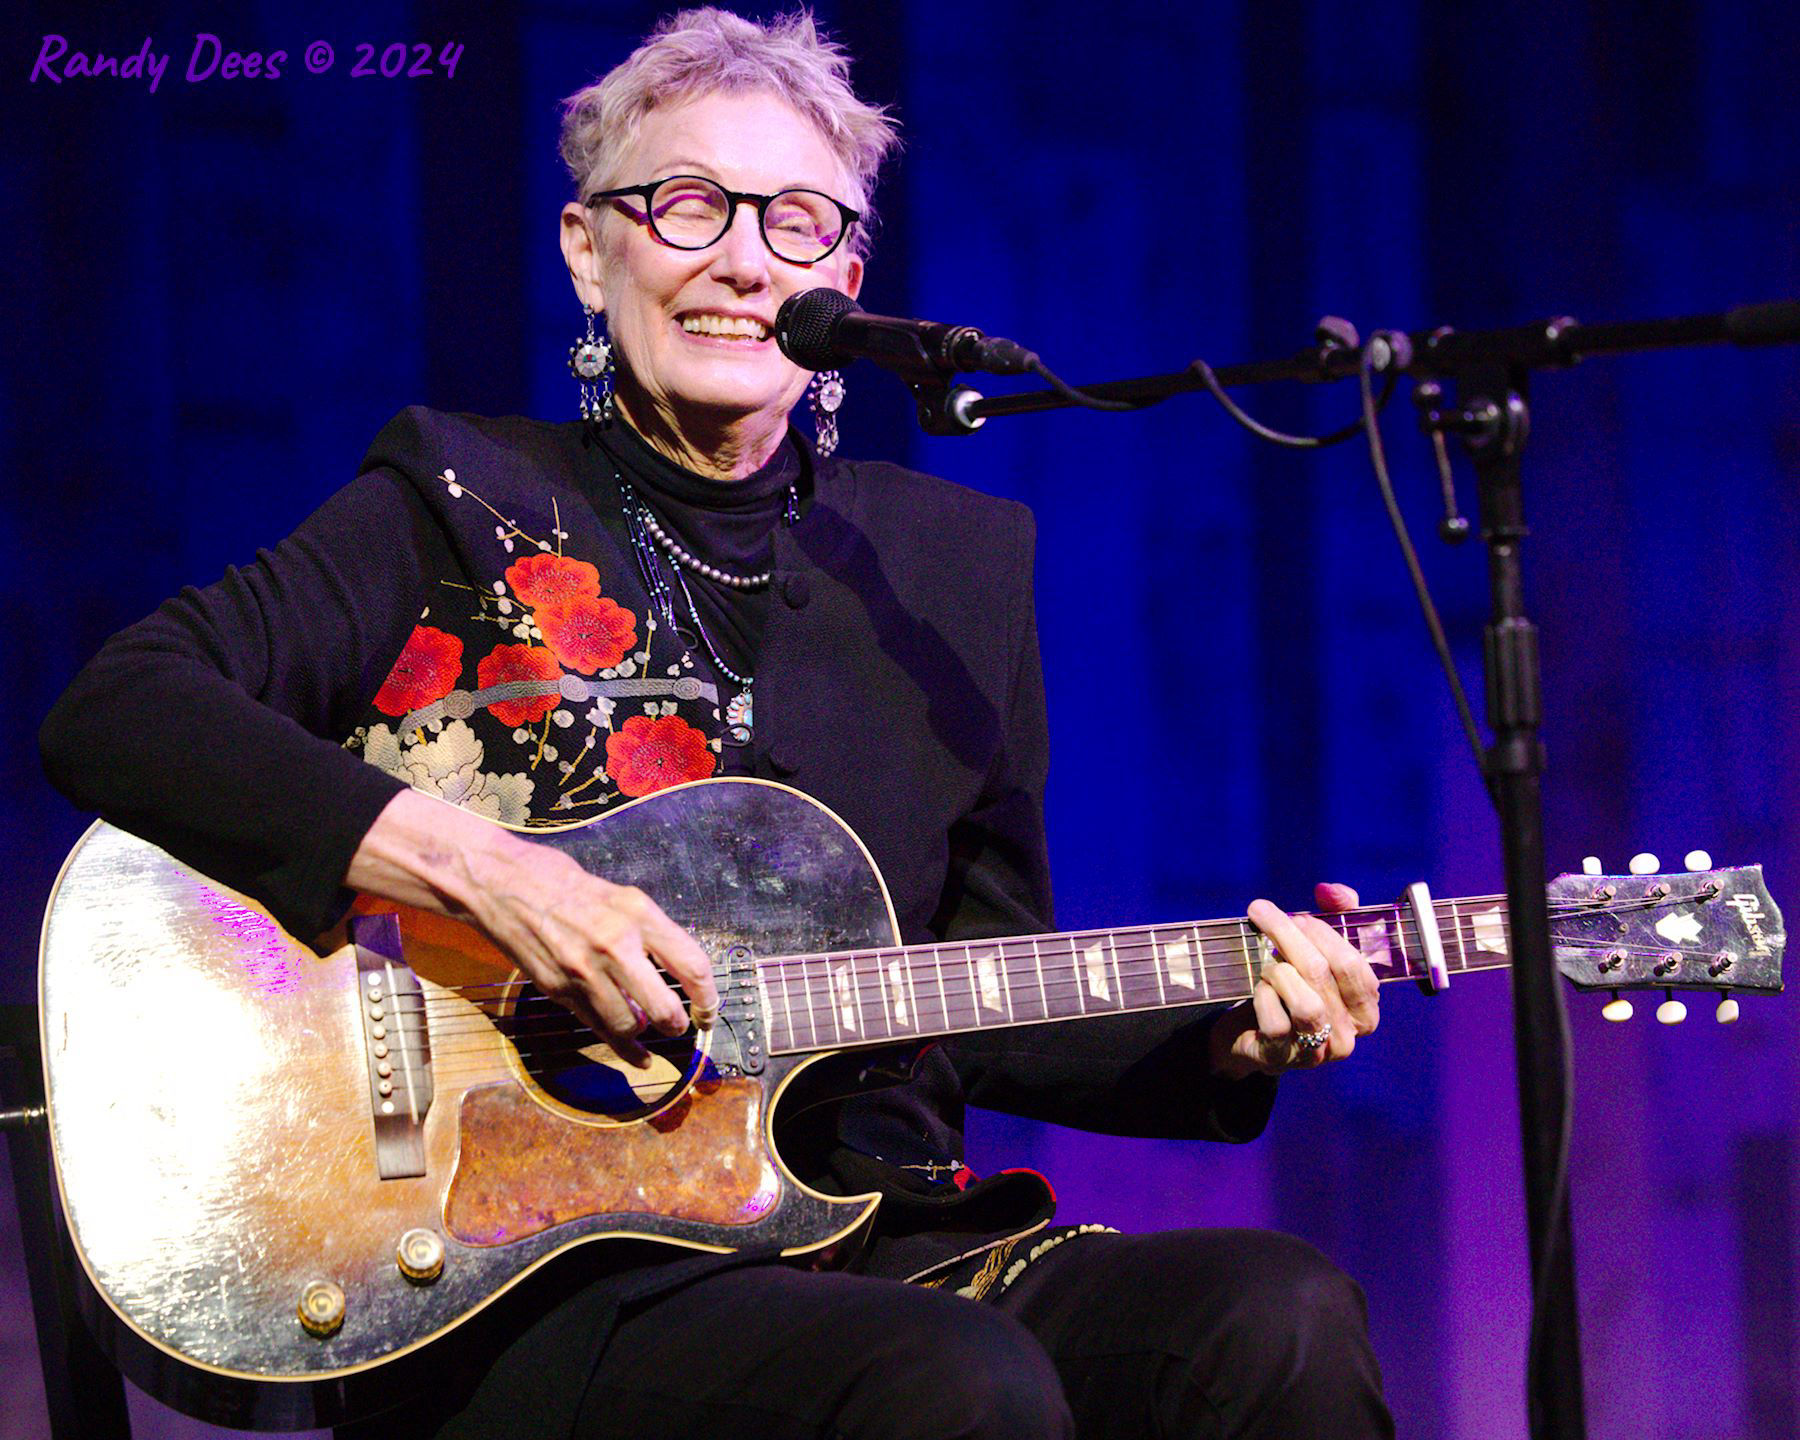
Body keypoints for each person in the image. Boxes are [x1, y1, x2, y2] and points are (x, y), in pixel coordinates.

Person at [40, 9, 1392, 1438]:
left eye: (800, 224)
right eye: (688, 204)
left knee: (1277, 1319)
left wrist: (1232, 1043)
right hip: (536, 1269)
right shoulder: (456, 497)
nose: (745, 260)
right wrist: (491, 871)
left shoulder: (952, 572)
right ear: (587, 247)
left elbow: (968, 997)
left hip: (872, 1228)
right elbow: (121, 706)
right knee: (950, 1384)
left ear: (848, 280)